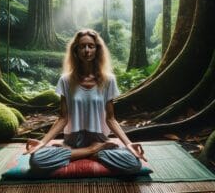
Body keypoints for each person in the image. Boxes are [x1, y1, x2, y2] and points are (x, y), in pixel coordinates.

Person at [25, 29, 146, 175]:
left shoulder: (108, 80)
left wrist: (128, 143)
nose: (87, 50)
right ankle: (92, 152)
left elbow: (111, 118)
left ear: (97, 50)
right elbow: (63, 118)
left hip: (99, 138)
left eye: (91, 46)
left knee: (133, 164)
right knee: (36, 160)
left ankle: (76, 154)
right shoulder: (65, 80)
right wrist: (43, 143)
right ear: (75, 50)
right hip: (73, 141)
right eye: (82, 46)